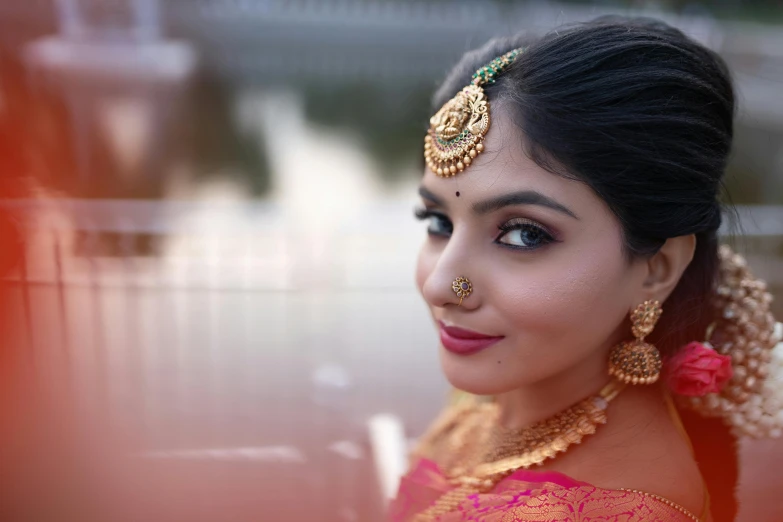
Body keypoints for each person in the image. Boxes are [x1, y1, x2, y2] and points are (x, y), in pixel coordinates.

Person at [390, 16, 783, 522]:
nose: (444, 285)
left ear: (656, 268)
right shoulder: (507, 387)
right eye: (438, 221)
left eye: (524, 234)